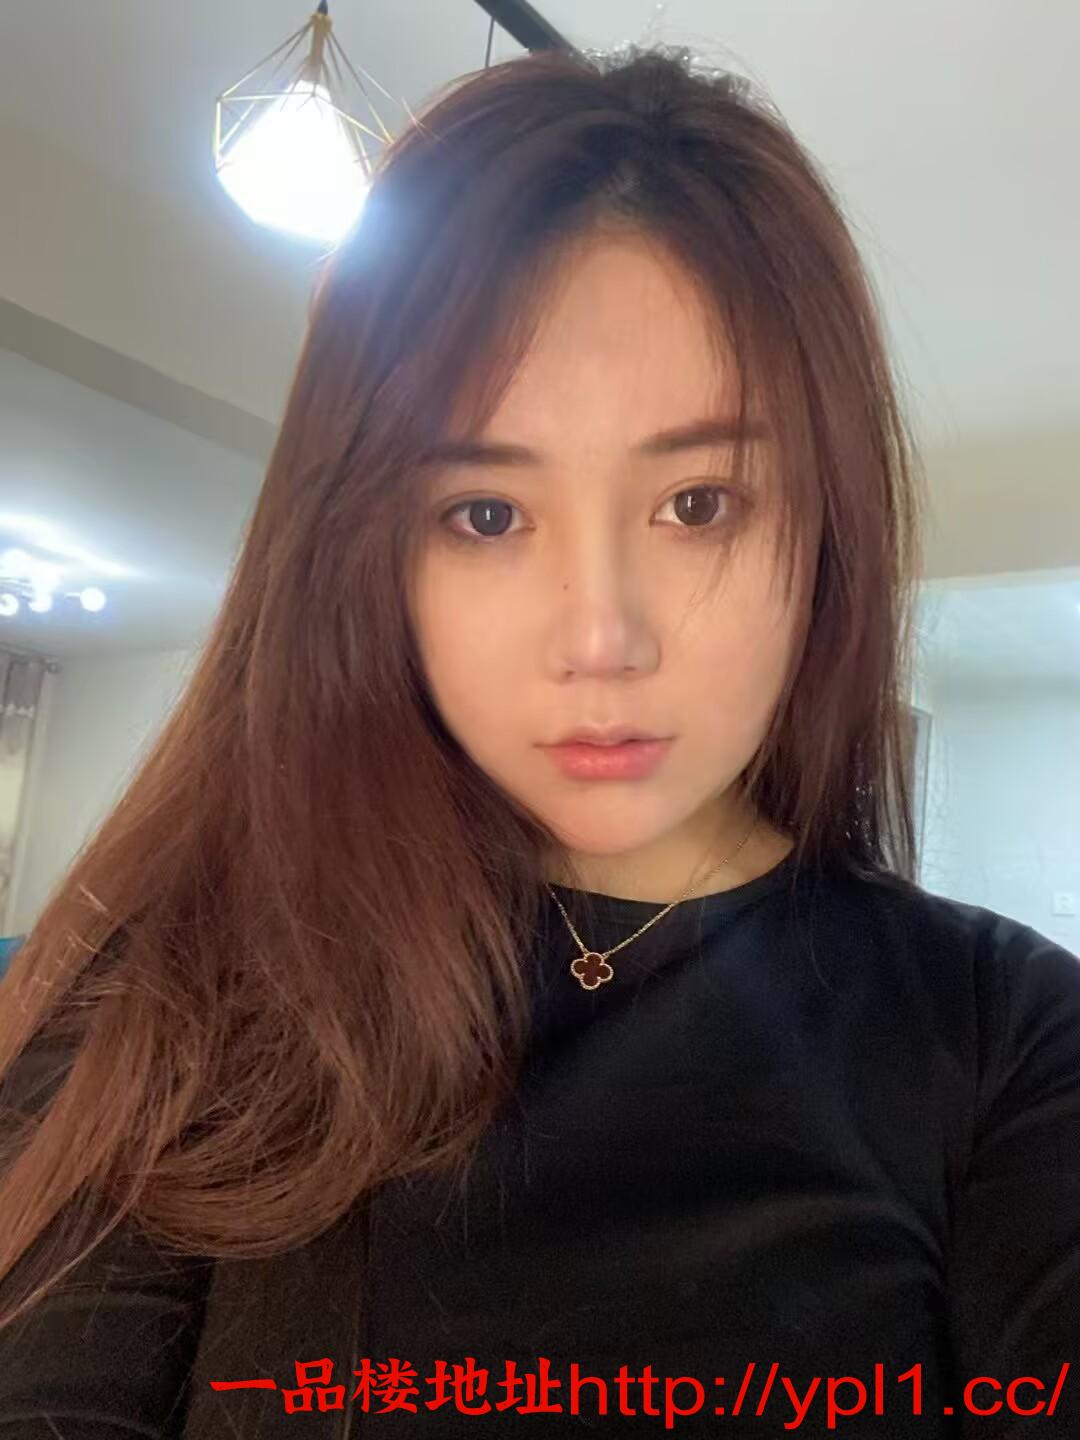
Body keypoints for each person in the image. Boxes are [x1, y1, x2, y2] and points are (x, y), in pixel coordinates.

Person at [1, 42, 1077, 1440]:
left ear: (825, 532)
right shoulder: (182, 989)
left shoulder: (1004, 1039)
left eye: (698, 504)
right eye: (488, 515)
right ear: (368, 558)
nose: (600, 637)